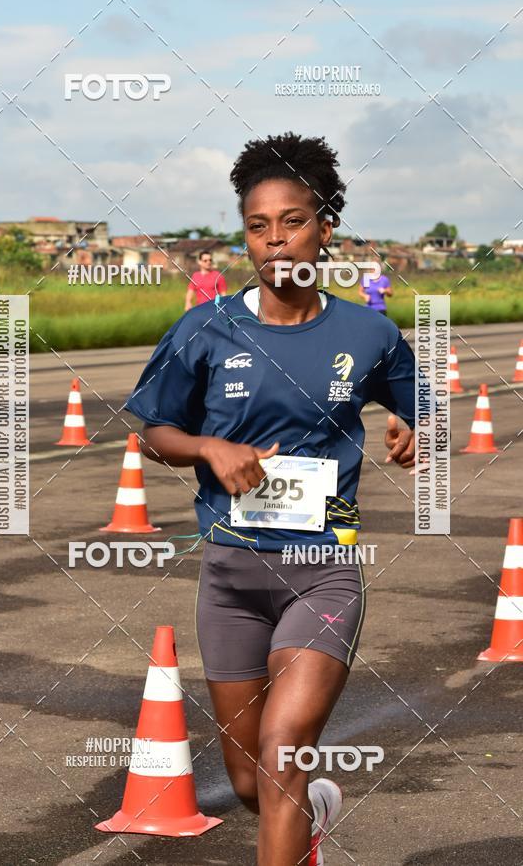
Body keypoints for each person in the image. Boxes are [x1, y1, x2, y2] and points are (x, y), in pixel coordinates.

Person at [123, 132, 415, 865]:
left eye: (292, 220)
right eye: (258, 225)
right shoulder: (204, 329)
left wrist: (417, 427)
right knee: (253, 780)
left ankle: (298, 800)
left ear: (325, 227)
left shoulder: (369, 330)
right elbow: (155, 431)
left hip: (323, 569)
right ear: (244, 235)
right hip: (229, 577)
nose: (275, 239)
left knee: (284, 753)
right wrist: (207, 448)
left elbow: (422, 409)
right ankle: (314, 809)